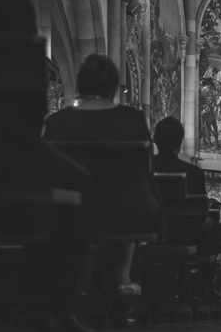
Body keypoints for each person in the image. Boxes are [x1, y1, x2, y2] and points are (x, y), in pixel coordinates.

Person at [0, 0, 94, 332]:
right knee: (78, 183)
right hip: (12, 150)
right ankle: (56, 308)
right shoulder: (22, 48)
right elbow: (32, 113)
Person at [44, 54, 163, 302]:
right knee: (122, 195)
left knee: (75, 204)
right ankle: (121, 276)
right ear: (114, 88)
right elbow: (144, 173)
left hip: (71, 212)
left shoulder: (58, 122)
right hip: (128, 212)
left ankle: (72, 282)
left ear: (80, 86)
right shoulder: (133, 120)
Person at [153, 116, 206, 195]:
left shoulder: (144, 171)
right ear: (180, 142)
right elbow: (200, 206)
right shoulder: (195, 174)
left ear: (155, 140)